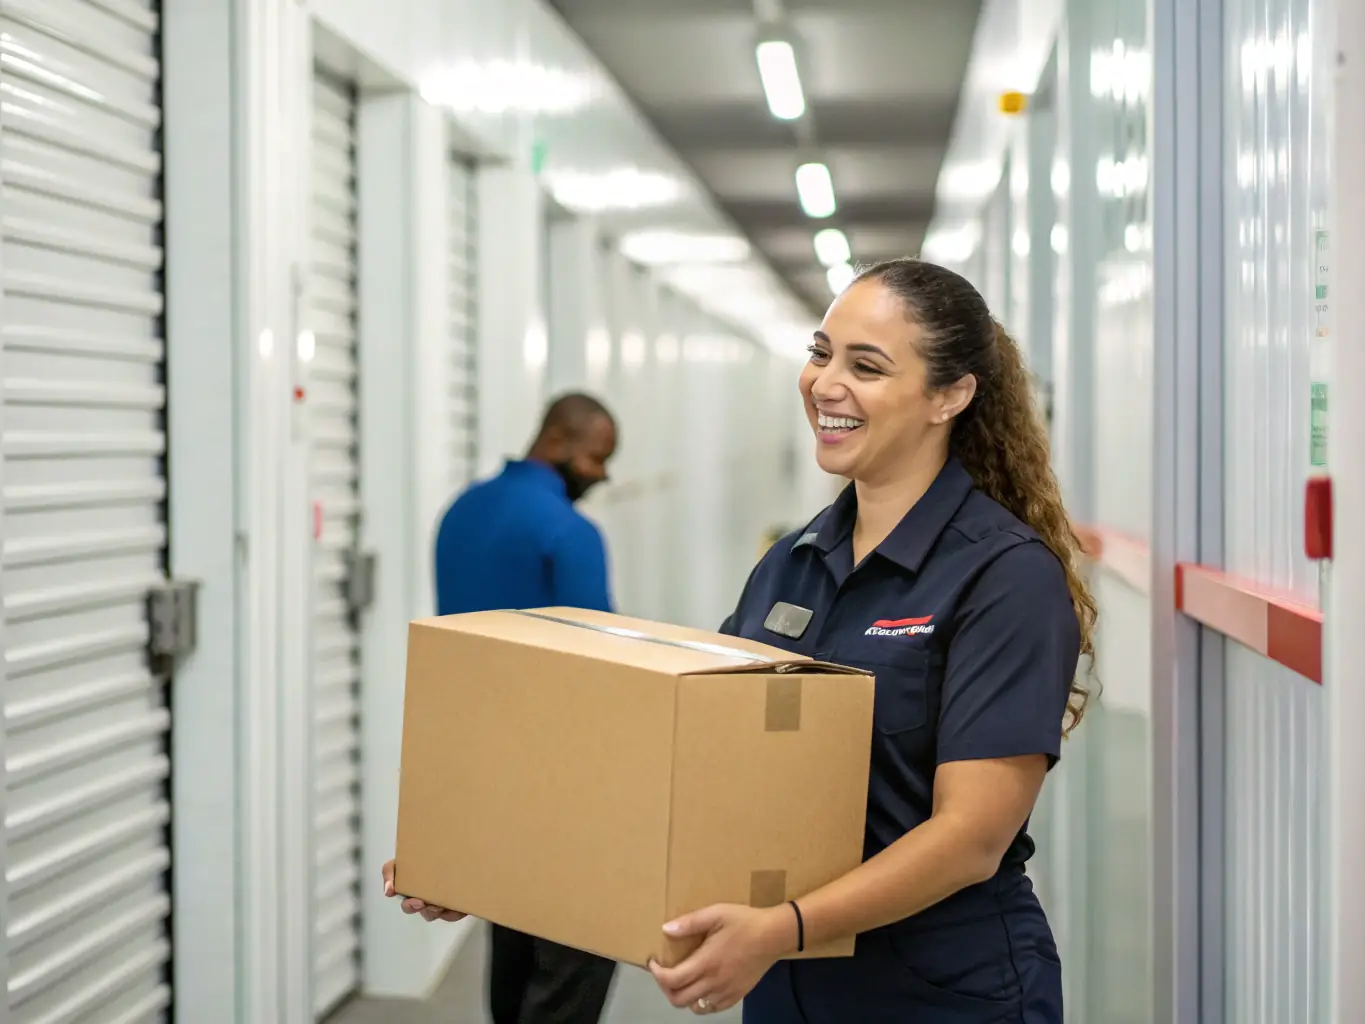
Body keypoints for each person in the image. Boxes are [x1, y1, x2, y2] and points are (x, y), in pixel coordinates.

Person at [646, 258, 1096, 1022]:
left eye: (866, 366)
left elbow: (969, 838)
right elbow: (699, 754)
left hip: (938, 990)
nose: (825, 384)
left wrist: (782, 927)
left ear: (949, 396)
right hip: (790, 983)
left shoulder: (1003, 576)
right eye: (820, 353)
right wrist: (494, 859)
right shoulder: (791, 562)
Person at [380, 391, 621, 1024]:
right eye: (598, 458)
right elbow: (606, 670)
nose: (601, 475)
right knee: (578, 953)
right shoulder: (570, 532)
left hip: (485, 767)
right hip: (566, 775)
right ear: (560, 442)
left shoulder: (460, 511)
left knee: (511, 929)